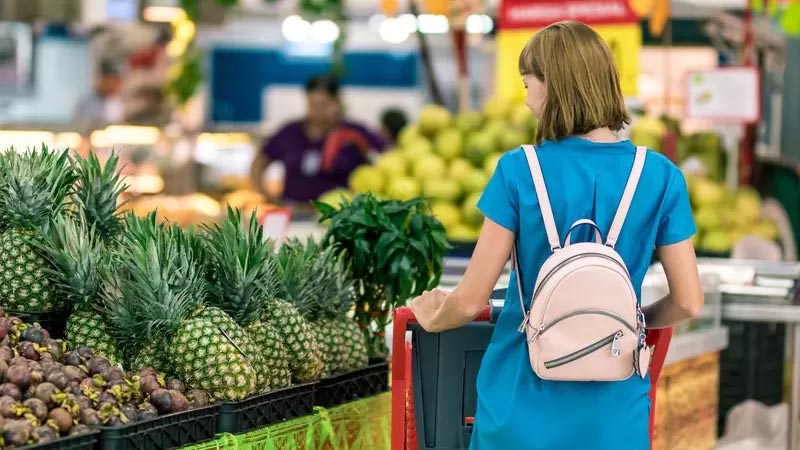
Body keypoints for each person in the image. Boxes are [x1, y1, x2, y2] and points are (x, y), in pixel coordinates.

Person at [409, 21, 704, 450]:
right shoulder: (660, 177)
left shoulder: (518, 170)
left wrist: (435, 313)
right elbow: (689, 301)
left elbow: (472, 299)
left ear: (553, 88)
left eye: (528, 84)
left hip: (519, 406)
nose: (527, 100)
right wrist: (629, 324)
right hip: (614, 413)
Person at [250, 74, 389, 204]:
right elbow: (259, 162)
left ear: (337, 102)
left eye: (323, 105)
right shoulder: (290, 132)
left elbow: (388, 156)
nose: (317, 111)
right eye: (312, 104)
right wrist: (265, 195)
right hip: (294, 211)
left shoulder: (355, 132)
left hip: (341, 215)